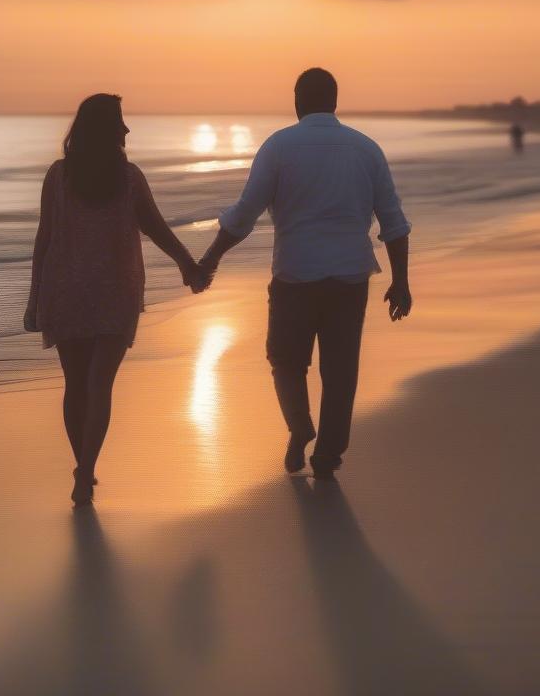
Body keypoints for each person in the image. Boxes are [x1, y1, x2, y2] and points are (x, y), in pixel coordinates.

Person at [199, 69, 412, 481]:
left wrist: (210, 259)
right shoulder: (366, 150)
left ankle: (300, 427)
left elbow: (244, 215)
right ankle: (328, 457)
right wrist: (400, 280)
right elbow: (394, 222)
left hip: (295, 276)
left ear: (297, 100)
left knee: (286, 361)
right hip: (350, 277)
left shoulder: (278, 147)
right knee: (340, 371)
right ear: (335, 101)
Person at [23, 94, 209, 506]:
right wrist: (188, 266)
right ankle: (85, 469)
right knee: (99, 385)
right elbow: (156, 229)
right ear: (111, 130)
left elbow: (45, 238)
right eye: (121, 124)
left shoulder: (58, 176)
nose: (127, 132)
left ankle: (83, 471)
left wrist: (34, 298)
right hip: (115, 291)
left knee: (75, 386)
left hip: (65, 289)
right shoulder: (128, 178)